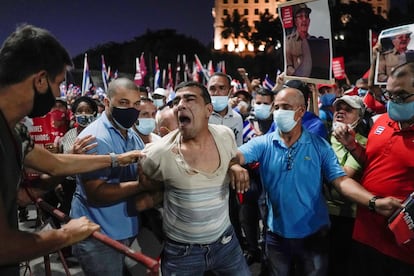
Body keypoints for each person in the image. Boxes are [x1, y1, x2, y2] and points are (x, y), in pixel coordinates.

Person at [0, 24, 142, 276]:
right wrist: (65, 235)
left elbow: (56, 164)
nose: (58, 93)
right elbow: (4, 246)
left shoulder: (14, 131)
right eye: (57, 83)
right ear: (40, 80)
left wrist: (116, 159)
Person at [234, 87, 401, 276]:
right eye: (277, 107)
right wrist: (235, 166)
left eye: (286, 107)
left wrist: (374, 202)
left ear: (301, 111)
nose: (279, 112)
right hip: (276, 236)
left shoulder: (319, 146)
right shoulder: (263, 143)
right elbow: (235, 156)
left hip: (313, 236)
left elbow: (341, 181)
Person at [136, 81, 251, 275]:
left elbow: (231, 158)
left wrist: (235, 166)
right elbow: (145, 182)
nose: (181, 104)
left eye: (190, 99)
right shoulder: (158, 153)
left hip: (226, 243)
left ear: (208, 110)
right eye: (177, 101)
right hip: (182, 253)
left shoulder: (225, 135)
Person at [333, 62, 414, 275]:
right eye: (389, 95)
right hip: (364, 233)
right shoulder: (382, 122)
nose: (393, 102)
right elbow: (371, 163)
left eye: (401, 96)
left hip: (401, 247)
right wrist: (352, 146)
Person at [70, 78, 146, 275]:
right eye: (123, 103)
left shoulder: (131, 134)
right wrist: (141, 185)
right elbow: (96, 192)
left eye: (136, 104)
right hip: (100, 236)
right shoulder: (94, 138)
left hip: (127, 230)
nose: (131, 109)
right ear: (106, 103)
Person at [326, 95, 369, 276]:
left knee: (340, 263)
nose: (341, 112)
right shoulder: (325, 136)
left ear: (359, 117)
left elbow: (343, 175)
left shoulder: (363, 144)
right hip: (322, 211)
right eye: (338, 108)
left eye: (348, 109)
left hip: (347, 215)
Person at [285, 3, 330, 79]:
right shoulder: (289, 42)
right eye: (300, 16)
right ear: (295, 21)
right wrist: (298, 77)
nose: (304, 19)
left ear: (309, 21)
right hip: (297, 83)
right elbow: (288, 66)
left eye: (306, 16)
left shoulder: (314, 42)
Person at [207, 72, 244, 146]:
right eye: (212, 89)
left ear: (230, 91)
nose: (217, 93)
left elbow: (238, 147)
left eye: (222, 88)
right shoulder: (201, 117)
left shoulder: (237, 118)